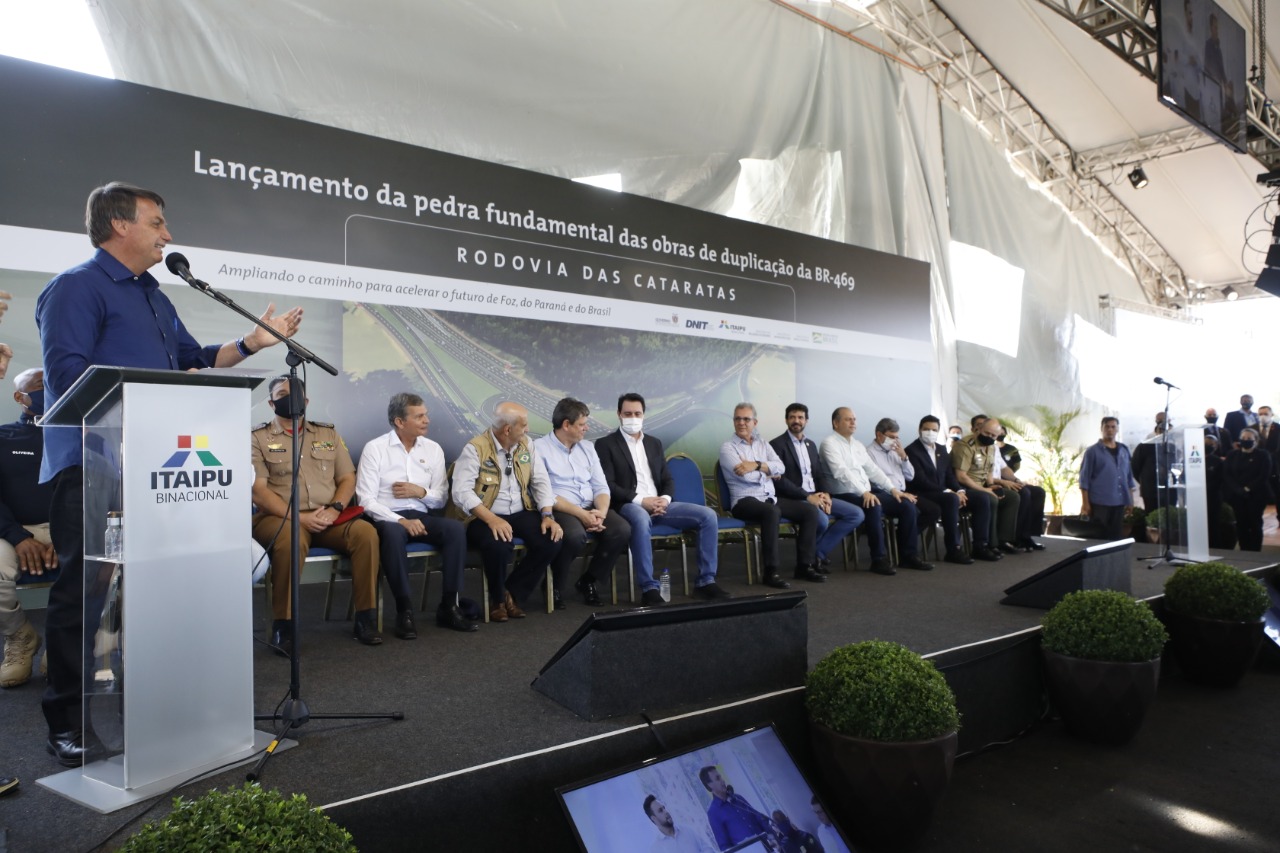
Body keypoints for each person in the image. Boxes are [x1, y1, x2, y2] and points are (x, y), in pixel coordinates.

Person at [36, 182, 302, 767]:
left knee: (159, 589)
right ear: (119, 226)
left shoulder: (156, 296)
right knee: (87, 595)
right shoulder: (75, 289)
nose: (168, 234)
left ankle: (167, 699)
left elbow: (194, 360)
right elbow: (68, 382)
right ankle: (68, 719)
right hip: (96, 468)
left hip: (157, 473)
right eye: (157, 222)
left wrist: (253, 342)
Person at [252, 377, 381, 649]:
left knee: (365, 533)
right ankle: (283, 625)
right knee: (290, 538)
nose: (290, 398)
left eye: (295, 393)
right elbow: (258, 491)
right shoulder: (257, 438)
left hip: (328, 517)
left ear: (306, 401)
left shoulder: (328, 434)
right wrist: (299, 518)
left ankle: (366, 618)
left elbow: (347, 477)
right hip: (279, 518)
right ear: (271, 402)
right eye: (282, 394)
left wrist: (335, 509)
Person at [355, 392, 475, 636]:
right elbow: (365, 501)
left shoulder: (433, 449)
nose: (427, 420)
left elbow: (441, 497)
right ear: (400, 422)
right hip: (387, 517)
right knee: (392, 533)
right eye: (419, 416)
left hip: (421, 515)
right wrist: (401, 520)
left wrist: (419, 492)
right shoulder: (375, 449)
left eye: (426, 415)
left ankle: (449, 606)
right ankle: (404, 610)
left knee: (454, 530)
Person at [596, 393, 727, 605]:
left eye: (637, 413)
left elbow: (667, 479)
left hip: (661, 505)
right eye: (628, 413)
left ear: (643, 415)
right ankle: (648, 587)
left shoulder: (654, 443)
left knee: (708, 515)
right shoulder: (606, 444)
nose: (633, 418)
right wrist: (642, 501)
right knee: (639, 518)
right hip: (629, 505)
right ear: (619, 414)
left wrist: (664, 500)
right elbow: (608, 485)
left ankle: (705, 582)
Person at [450, 401, 563, 622]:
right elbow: (461, 492)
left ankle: (511, 593)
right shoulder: (475, 448)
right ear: (507, 430)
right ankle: (497, 602)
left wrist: (548, 515)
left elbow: (541, 481)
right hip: (483, 515)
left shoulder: (526, 445)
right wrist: (491, 519)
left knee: (551, 539)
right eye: (524, 425)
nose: (527, 430)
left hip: (521, 511)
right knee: (499, 544)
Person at [533, 397, 631, 608]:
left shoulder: (588, 448)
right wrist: (581, 514)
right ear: (566, 425)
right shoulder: (538, 448)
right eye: (582, 424)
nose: (586, 428)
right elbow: (544, 492)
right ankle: (554, 586)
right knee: (574, 536)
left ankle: (588, 581)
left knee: (621, 529)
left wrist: (601, 513)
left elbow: (601, 487)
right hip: (562, 507)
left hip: (591, 506)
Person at [720, 403, 824, 585]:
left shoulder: (763, 444)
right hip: (744, 501)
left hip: (770, 498)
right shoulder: (728, 448)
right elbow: (747, 478)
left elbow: (781, 467)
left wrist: (756, 465)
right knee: (771, 511)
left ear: (755, 422)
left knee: (810, 512)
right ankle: (771, 572)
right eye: (738, 418)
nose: (741, 423)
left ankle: (804, 566)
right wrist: (767, 471)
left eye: (746, 419)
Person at [820, 407, 931, 575]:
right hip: (843, 493)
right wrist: (864, 492)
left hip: (864, 492)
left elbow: (873, 470)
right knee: (873, 505)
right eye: (848, 419)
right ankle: (878, 559)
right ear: (835, 423)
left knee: (905, 504)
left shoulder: (857, 445)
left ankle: (908, 556)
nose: (853, 422)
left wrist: (893, 490)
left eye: (854, 419)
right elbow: (841, 472)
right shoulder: (829, 443)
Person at [1, 364, 57, 688]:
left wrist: (69, 534)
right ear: (20, 397)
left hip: (67, 529)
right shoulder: (3, 436)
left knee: (103, 564)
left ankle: (64, 640)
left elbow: (91, 491)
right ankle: (19, 637)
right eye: (40, 384)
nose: (49, 389)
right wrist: (18, 537)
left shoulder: (78, 434)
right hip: (14, 533)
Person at [769, 403, 862, 573]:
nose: (796, 421)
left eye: (800, 417)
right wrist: (807, 496)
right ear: (786, 420)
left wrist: (825, 494)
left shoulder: (810, 445)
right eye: (792, 417)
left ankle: (817, 553)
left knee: (856, 514)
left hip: (817, 495)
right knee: (821, 520)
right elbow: (780, 480)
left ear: (806, 421)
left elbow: (819, 474)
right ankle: (808, 562)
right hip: (795, 498)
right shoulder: (776, 445)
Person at [905, 415, 992, 563]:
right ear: (919, 430)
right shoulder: (912, 450)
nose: (930, 432)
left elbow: (949, 475)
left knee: (982, 497)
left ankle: (980, 546)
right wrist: (948, 492)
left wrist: (959, 490)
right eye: (926, 429)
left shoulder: (941, 448)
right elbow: (920, 480)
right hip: (923, 493)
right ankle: (953, 550)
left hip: (944, 492)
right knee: (950, 499)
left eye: (934, 430)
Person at [864, 416, 934, 571]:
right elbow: (874, 481)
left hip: (902, 492)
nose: (894, 441)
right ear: (879, 435)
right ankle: (908, 555)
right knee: (909, 508)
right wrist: (895, 492)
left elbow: (910, 476)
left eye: (897, 437)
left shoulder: (896, 451)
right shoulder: (869, 452)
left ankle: (902, 545)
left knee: (930, 509)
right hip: (882, 492)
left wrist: (904, 457)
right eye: (891, 437)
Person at [952, 417, 1020, 555]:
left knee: (1012, 497)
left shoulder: (991, 447)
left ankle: (1003, 540)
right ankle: (987, 544)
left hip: (983, 486)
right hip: (964, 488)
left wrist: (991, 484)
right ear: (979, 430)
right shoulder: (965, 445)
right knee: (991, 499)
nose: (989, 437)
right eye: (987, 433)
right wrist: (985, 490)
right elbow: (961, 476)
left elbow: (989, 469)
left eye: (993, 436)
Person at [1079, 416, 1135, 541]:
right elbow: (1084, 479)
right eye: (1107, 427)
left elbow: (1129, 477)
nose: (1110, 430)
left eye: (1113, 427)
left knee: (1116, 536)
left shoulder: (1124, 450)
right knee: (1099, 536)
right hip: (1100, 502)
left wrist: (1130, 500)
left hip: (1119, 501)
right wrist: (1085, 503)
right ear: (1101, 429)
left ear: (1117, 429)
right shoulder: (1092, 451)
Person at [699, 765, 779, 851]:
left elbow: (759, 818)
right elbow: (724, 846)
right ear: (709, 785)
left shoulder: (738, 798)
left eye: (721, 776)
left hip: (767, 848)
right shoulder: (713, 812)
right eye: (718, 778)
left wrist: (772, 836)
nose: (722, 780)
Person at [1224, 428, 1272, 551]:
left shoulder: (1263, 455)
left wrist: (1248, 488)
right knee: (1241, 523)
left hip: (1256, 495)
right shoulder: (1232, 454)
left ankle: (1255, 550)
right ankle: (1244, 549)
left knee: (1255, 523)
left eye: (1249, 439)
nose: (1245, 441)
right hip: (1237, 496)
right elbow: (1227, 474)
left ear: (1255, 441)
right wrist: (1237, 489)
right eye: (1243, 438)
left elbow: (1263, 475)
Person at [643, 795, 715, 852]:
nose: (666, 811)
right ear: (654, 818)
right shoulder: (656, 849)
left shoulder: (687, 830)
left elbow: (708, 850)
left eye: (664, 808)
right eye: (660, 810)